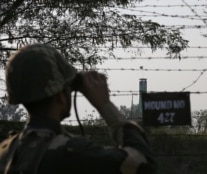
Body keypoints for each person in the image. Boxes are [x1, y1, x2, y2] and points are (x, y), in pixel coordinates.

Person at [0, 44, 156, 174]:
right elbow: (143, 164)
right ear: (61, 96)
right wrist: (104, 104)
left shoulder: (6, 152)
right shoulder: (73, 153)